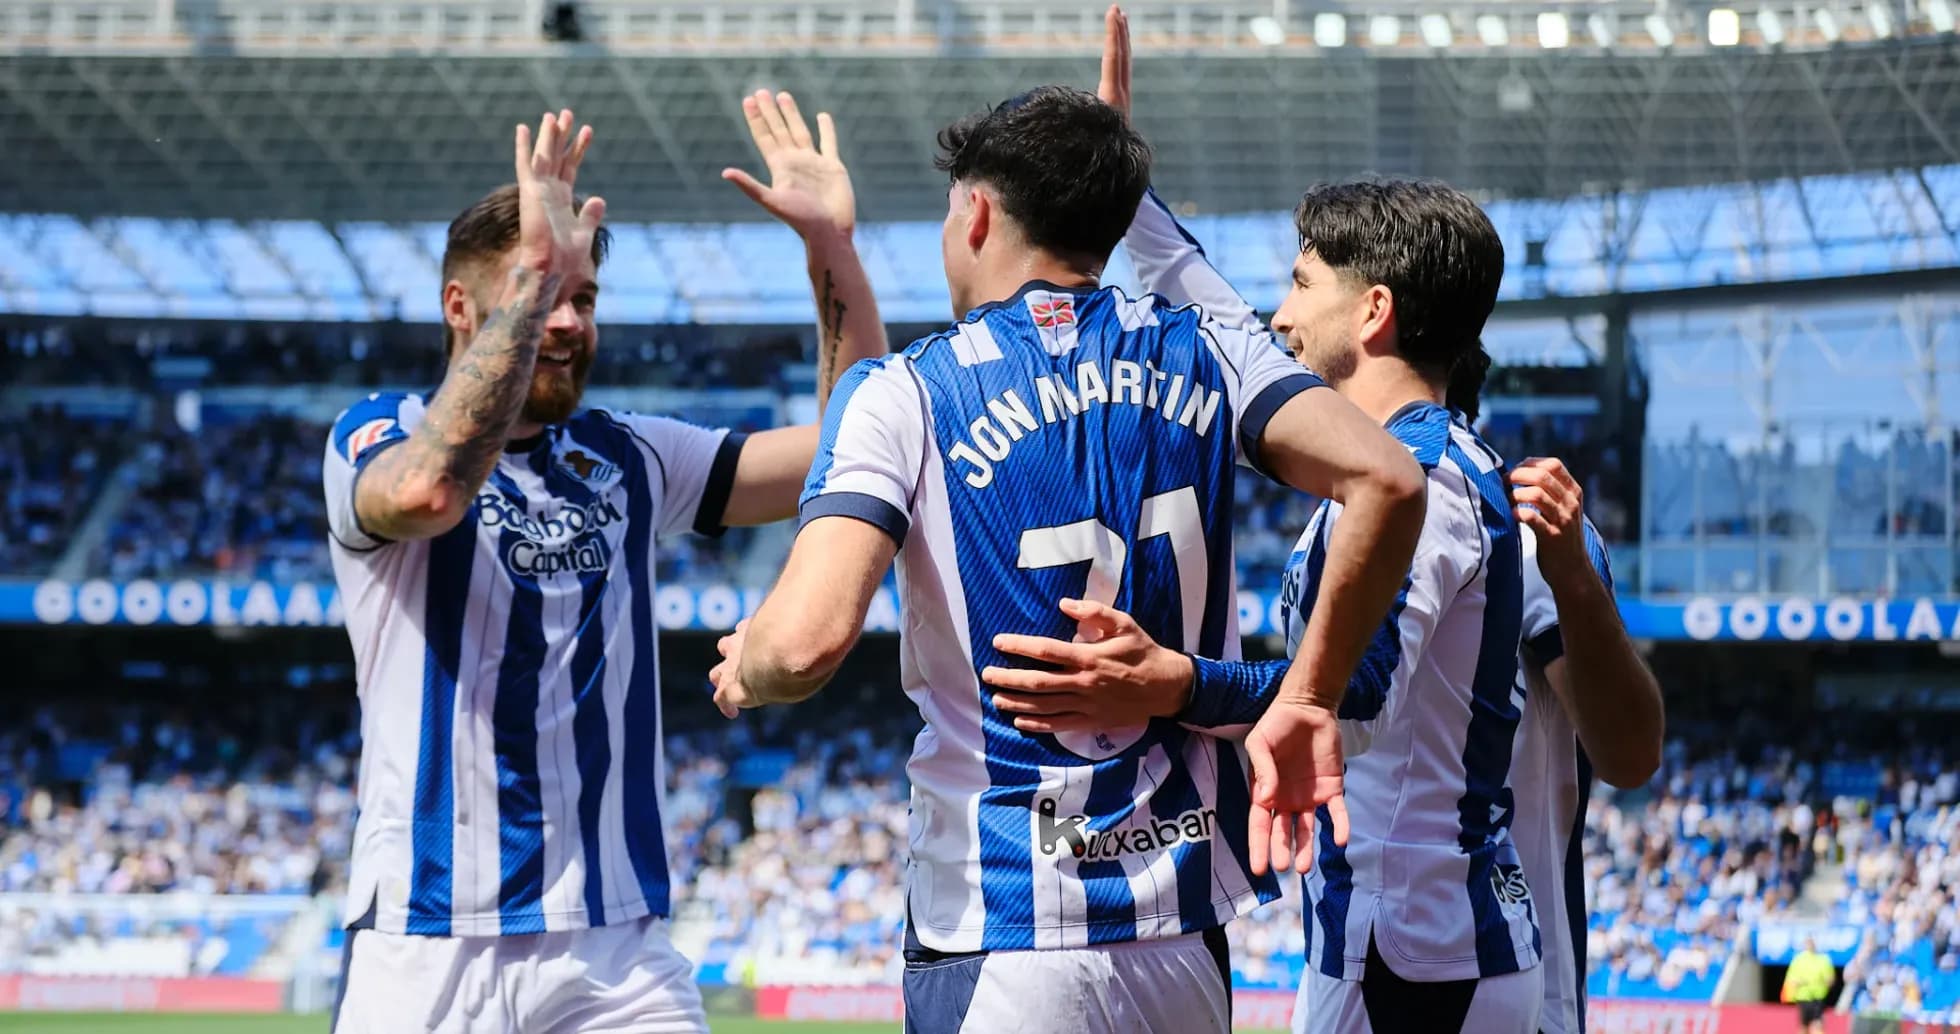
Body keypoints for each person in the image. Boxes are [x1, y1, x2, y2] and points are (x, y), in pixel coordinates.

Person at [707, 74, 1428, 1034]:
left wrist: (750, 665)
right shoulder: (1212, 348)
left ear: (975, 213)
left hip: (1002, 925)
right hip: (1181, 934)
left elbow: (804, 646)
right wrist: (1304, 697)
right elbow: (1390, 478)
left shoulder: (905, 391)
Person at [977, 12, 1543, 1032]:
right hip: (1407, 939)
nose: (1277, 315)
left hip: (1416, 955)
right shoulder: (1416, 458)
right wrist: (1116, 186)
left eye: (1298, 283)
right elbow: (1217, 311)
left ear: (1371, 312)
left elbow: (1355, 704)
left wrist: (1175, 683)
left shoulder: (1427, 476)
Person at [323, 99, 889, 1034]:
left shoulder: (628, 455)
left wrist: (832, 253)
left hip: (614, 948)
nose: (568, 320)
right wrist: (538, 275)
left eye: (581, 299)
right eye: (541, 293)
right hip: (429, 941)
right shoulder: (374, 434)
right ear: (461, 308)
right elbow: (427, 494)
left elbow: (850, 445)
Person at [1784, 938, 1836, 1034]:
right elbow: (1791, 979)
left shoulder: (1822, 960)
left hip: (1817, 997)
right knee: (1805, 1025)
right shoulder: (1799, 960)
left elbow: (1830, 980)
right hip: (1804, 997)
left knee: (1817, 1024)